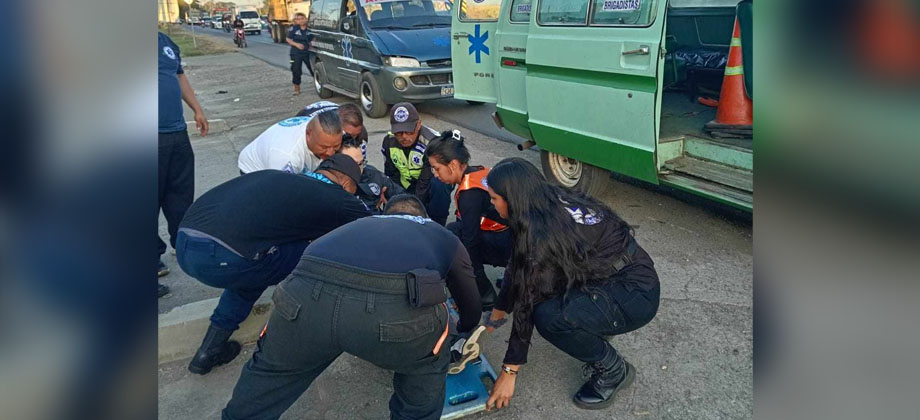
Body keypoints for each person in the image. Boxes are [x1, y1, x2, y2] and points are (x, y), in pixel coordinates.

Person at [223, 195, 482, 420]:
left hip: (303, 298)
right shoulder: (439, 234)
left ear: (385, 214)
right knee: (426, 370)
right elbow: (470, 302)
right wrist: (460, 330)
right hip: (394, 316)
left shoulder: (356, 224)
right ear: (423, 217)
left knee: (268, 378)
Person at [481, 158, 660, 411]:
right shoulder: (545, 200)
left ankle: (613, 370)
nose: (492, 204)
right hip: (614, 273)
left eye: (494, 199)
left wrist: (509, 371)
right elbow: (518, 262)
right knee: (548, 289)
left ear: (514, 200)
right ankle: (594, 321)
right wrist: (501, 307)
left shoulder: (541, 235)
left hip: (635, 294)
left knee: (549, 317)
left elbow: (527, 301)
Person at [177, 155, 371, 375]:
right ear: (347, 183)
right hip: (225, 256)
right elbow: (372, 225)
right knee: (315, 256)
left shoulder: (285, 179)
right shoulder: (337, 197)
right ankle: (302, 339)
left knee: (252, 278)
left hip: (185, 243)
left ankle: (207, 352)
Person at [426, 130, 510, 311]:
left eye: (437, 168)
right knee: (455, 229)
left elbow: (470, 240)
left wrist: (473, 277)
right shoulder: (478, 172)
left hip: (509, 243)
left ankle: (485, 294)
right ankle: (514, 274)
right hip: (514, 237)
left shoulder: (469, 194)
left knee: (456, 240)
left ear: (453, 165)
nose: (435, 174)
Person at [158, 32, 209, 298]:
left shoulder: (165, 42)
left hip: (176, 132)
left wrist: (196, 109)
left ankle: (182, 244)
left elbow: (178, 77)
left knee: (179, 194)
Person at [381, 102, 452, 225]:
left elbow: (424, 182)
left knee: (439, 185)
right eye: (399, 132)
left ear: (418, 124)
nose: (404, 137)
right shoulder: (389, 141)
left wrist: (412, 209)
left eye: (409, 131)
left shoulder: (433, 142)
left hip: (429, 182)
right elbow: (391, 174)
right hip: (406, 184)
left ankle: (437, 225)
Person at [237, 104, 347, 175]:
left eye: (336, 146)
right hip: (255, 171)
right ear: (308, 134)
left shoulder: (332, 134)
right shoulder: (287, 157)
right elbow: (282, 193)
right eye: (324, 147)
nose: (331, 153)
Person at [339, 132, 405, 211]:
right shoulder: (326, 188)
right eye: (352, 164)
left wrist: (391, 207)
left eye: (361, 163)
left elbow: (403, 198)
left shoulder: (372, 175)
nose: (358, 169)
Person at [285, 12, 312, 95]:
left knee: (313, 68)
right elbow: (288, 39)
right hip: (296, 53)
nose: (301, 21)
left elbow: (314, 39)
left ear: (306, 19)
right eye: (298, 19)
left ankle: (320, 85)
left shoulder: (310, 29)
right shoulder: (294, 29)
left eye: (302, 18)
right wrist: (296, 44)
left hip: (308, 52)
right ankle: (297, 89)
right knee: (296, 70)